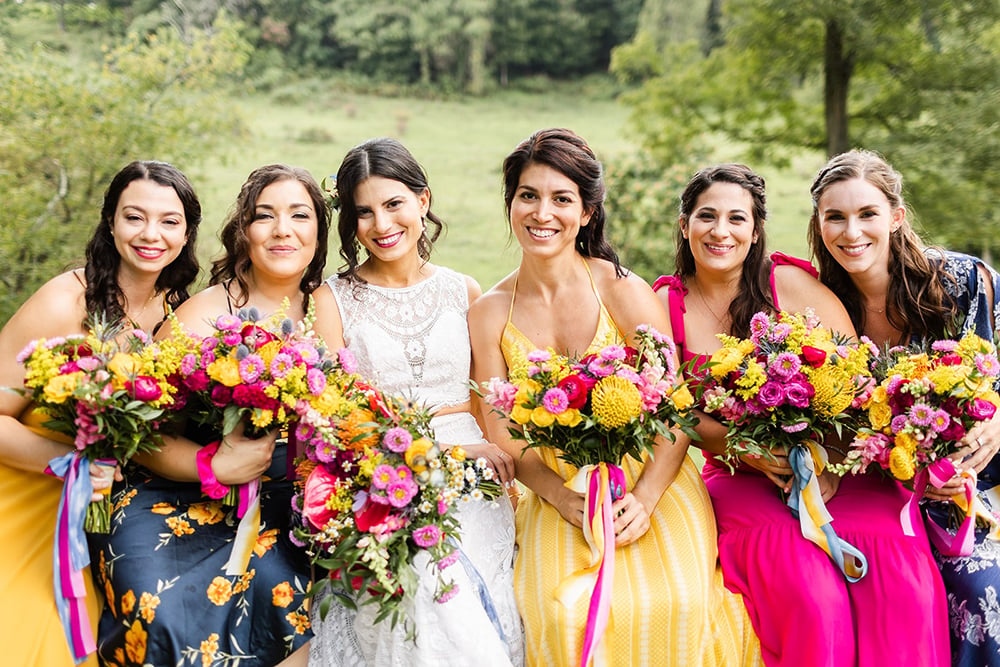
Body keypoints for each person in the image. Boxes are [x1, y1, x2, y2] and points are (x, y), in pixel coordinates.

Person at [468, 128, 760, 666]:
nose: (541, 213)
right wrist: (557, 495)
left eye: (561, 199)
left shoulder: (622, 290)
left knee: (676, 601)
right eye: (527, 196)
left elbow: (674, 406)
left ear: (586, 212)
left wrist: (646, 499)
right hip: (554, 485)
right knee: (559, 614)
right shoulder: (489, 312)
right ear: (510, 203)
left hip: (650, 476)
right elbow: (497, 424)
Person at [653, 162, 950, 666]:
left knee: (903, 591)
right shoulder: (664, 303)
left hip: (843, 467)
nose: (720, 231)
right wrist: (750, 451)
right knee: (814, 599)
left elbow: (856, 378)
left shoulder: (788, 283)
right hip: (742, 471)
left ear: (755, 231)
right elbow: (670, 411)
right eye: (706, 216)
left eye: (736, 219)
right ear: (685, 225)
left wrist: (826, 455)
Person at [87, 164, 326, 666]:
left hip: (280, 504)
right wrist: (213, 466)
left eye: (299, 214)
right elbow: (141, 437)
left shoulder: (330, 306)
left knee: (285, 593)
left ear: (319, 230)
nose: (283, 229)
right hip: (172, 493)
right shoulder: (200, 316)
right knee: (163, 610)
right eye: (265, 216)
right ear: (244, 232)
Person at [307, 137, 524, 667]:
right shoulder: (331, 299)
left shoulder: (464, 290)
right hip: (385, 473)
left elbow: (485, 401)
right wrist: (443, 458)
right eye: (364, 212)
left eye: (394, 204)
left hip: (479, 476)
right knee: (427, 590)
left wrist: (506, 470)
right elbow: (340, 419)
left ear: (423, 201)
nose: (381, 225)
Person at [0, 160, 201, 666]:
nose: (150, 234)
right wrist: (70, 459)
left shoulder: (182, 316)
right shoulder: (63, 302)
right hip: (27, 506)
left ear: (187, 232)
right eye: (134, 217)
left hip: (111, 525)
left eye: (169, 221)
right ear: (110, 222)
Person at [809, 148, 1000, 667]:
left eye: (867, 213)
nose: (852, 232)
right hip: (868, 483)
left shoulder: (963, 281)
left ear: (895, 216)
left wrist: (997, 419)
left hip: (961, 487)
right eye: (836, 217)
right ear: (819, 225)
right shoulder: (819, 301)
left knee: (977, 589)